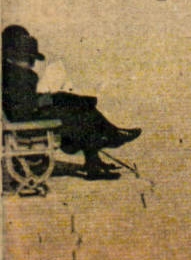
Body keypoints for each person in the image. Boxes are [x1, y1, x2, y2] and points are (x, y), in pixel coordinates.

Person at [3, 25, 140, 180]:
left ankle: (99, 153)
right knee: (79, 114)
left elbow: (24, 101)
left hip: (28, 118)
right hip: (26, 124)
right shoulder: (14, 76)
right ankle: (107, 143)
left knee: (77, 107)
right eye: (28, 58)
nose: (32, 63)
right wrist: (50, 99)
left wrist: (53, 99)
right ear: (13, 55)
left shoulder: (12, 72)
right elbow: (22, 109)